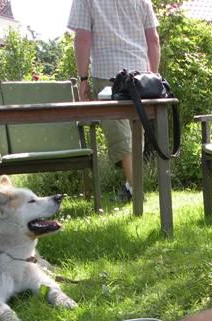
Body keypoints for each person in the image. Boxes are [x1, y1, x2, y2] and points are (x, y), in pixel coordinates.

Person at [68, 0, 161, 202]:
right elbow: (153, 40)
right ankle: (131, 188)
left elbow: (82, 38)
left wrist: (83, 79)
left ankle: (136, 192)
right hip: (140, 75)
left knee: (120, 133)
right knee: (137, 132)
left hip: (107, 74)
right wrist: (153, 75)